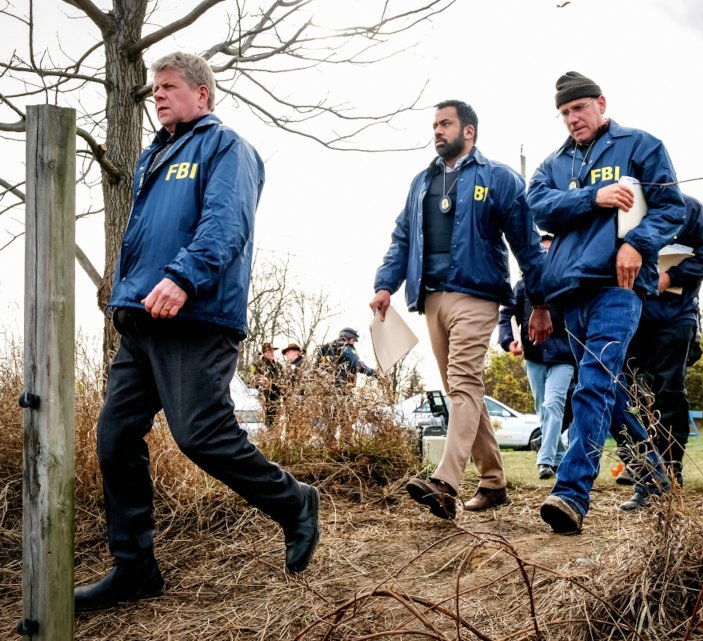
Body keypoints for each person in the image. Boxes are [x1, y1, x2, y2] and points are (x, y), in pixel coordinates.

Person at [74, 52, 319, 612]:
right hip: (142, 319)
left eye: (168, 87)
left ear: (201, 95)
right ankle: (134, 569)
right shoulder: (152, 157)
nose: (157, 95)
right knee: (114, 436)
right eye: (153, 89)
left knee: (200, 435)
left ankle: (295, 503)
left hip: (195, 314)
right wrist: (125, 298)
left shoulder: (226, 146)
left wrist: (182, 278)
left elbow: (226, 223)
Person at [370, 100, 550, 520]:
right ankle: (493, 481)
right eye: (434, 124)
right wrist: (384, 284)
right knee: (461, 390)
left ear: (468, 131)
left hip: (477, 294)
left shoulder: (499, 178)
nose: (437, 131)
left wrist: (540, 302)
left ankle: (444, 483)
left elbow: (527, 245)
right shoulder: (421, 183)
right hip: (430, 298)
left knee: (465, 379)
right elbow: (402, 239)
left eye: (445, 123)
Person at [527, 71, 685, 534]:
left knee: (591, 386)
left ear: (600, 103)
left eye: (577, 108)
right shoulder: (553, 163)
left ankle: (571, 493)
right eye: (563, 113)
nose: (571, 119)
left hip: (619, 286)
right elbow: (538, 205)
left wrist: (638, 241)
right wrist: (593, 197)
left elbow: (671, 209)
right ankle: (656, 476)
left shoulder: (640, 145)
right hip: (568, 292)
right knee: (608, 392)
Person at [615, 194, 703, 509]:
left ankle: (671, 467)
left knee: (668, 392)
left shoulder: (690, 209)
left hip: (675, 318)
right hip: (631, 314)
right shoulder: (626, 206)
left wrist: (671, 276)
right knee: (628, 395)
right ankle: (643, 472)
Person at [497, 232, 576, 480]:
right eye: (541, 252)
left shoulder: (569, 285)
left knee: (553, 405)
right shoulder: (522, 287)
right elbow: (505, 315)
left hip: (564, 357)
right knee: (543, 410)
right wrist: (509, 341)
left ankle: (543, 461)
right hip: (533, 356)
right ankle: (559, 459)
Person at [249, 341, 284, 426]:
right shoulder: (255, 364)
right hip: (261, 400)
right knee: (262, 425)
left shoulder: (279, 366)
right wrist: (259, 381)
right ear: (264, 353)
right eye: (270, 351)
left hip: (275, 400)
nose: (272, 353)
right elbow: (251, 379)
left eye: (273, 351)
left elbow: (283, 382)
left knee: (275, 425)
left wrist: (270, 382)